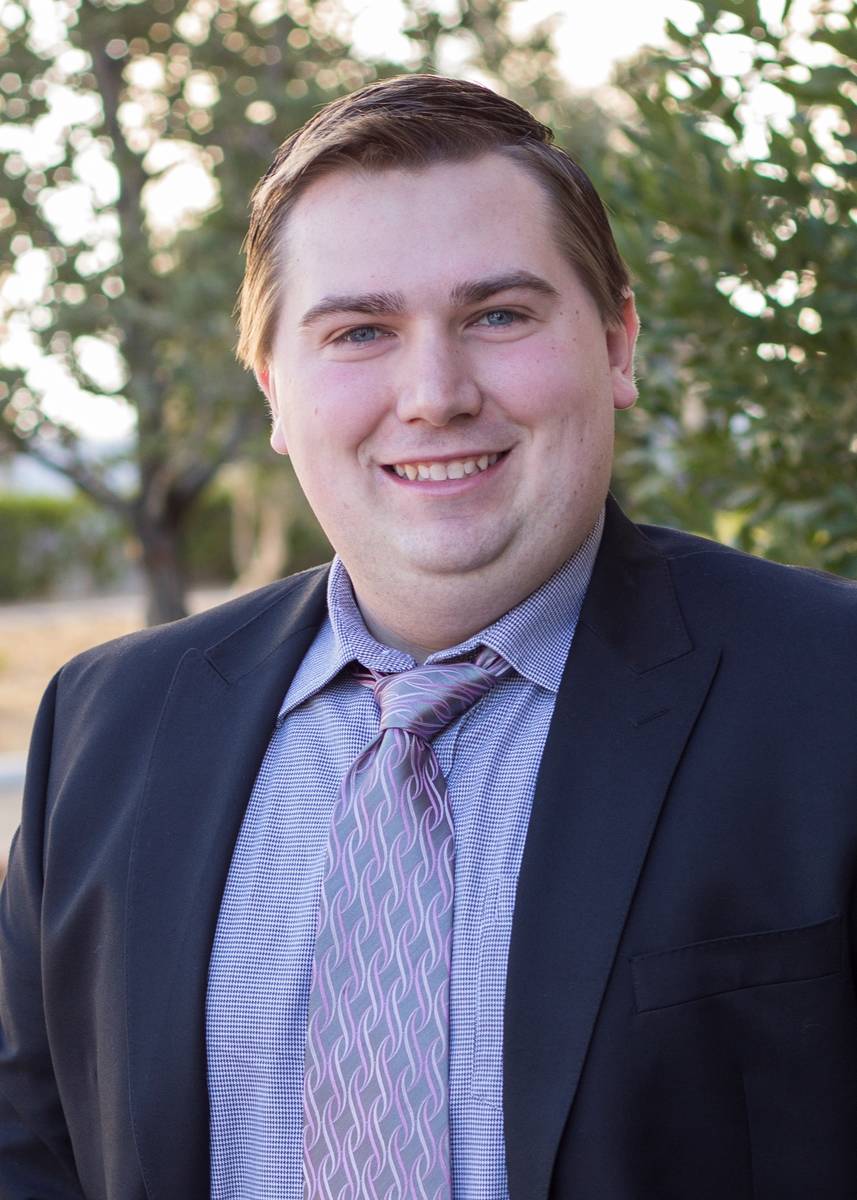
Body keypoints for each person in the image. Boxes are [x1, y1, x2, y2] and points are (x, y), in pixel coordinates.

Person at [1, 73, 856, 1200]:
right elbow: (32, 1152)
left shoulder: (829, 690)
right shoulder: (107, 726)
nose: (434, 393)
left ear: (616, 343)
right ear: (273, 388)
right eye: (360, 331)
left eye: (497, 315)